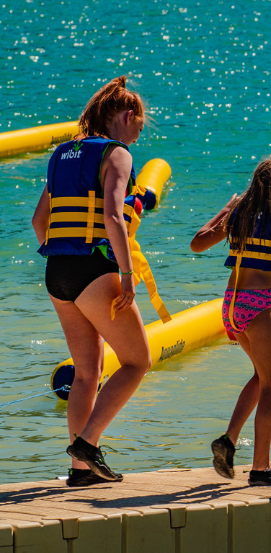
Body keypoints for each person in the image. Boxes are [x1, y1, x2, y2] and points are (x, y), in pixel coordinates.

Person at [31, 77, 152, 486]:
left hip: (56, 272)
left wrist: (65, 256)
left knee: (86, 373)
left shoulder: (61, 154)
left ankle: (81, 474)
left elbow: (38, 221)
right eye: (140, 124)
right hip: (93, 269)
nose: (139, 133)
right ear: (126, 115)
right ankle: (88, 443)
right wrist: (126, 273)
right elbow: (113, 217)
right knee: (137, 361)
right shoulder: (117, 154)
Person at [190, 155, 271, 486]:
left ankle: (229, 441)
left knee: (263, 376)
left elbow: (198, 242)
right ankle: (261, 469)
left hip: (230, 305)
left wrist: (225, 209)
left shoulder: (239, 214)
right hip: (257, 304)